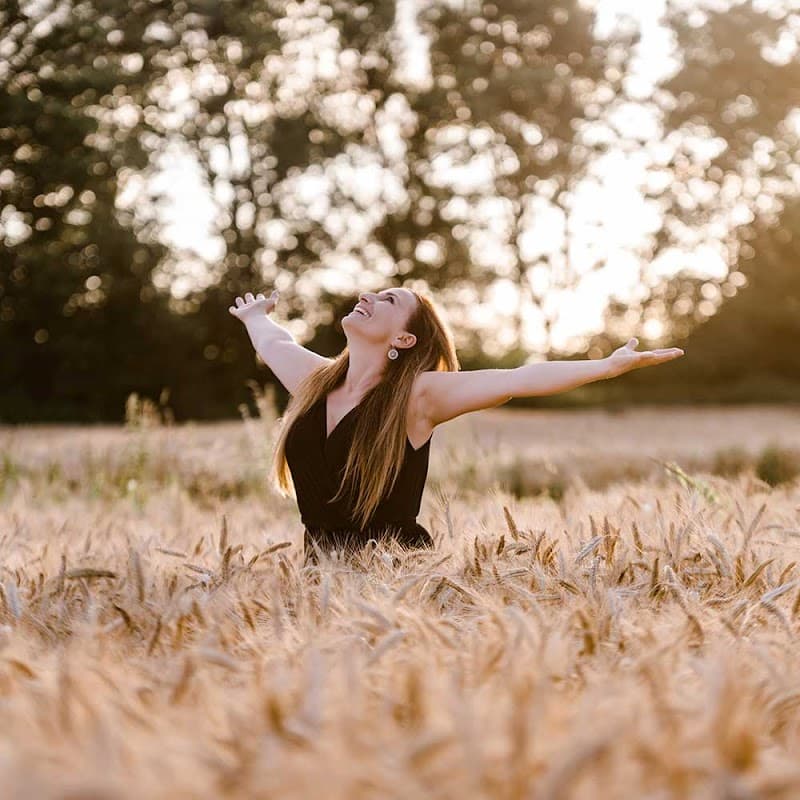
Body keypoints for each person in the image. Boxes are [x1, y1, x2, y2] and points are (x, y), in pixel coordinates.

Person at [229, 287, 684, 564]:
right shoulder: (315, 383)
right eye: (373, 293)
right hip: (318, 581)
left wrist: (603, 367)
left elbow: (515, 380)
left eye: (389, 300)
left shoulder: (417, 396)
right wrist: (256, 317)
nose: (367, 297)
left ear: (404, 340)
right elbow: (274, 341)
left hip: (399, 577)